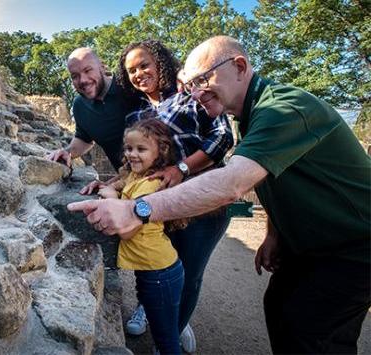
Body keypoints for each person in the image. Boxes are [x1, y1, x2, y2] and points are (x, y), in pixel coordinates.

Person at [68, 35, 371, 354]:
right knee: (282, 309)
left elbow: (232, 183)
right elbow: (275, 179)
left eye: (203, 79)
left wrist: (136, 210)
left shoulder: (284, 109)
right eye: (192, 82)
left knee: (309, 327)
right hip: (309, 246)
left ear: (239, 66)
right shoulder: (249, 116)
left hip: (353, 245)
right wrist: (274, 234)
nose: (196, 91)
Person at [117, 40, 234, 353]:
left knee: (190, 272)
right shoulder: (136, 114)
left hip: (204, 205)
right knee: (155, 263)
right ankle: (151, 310)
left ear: (160, 64)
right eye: (131, 70)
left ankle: (175, 328)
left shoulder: (191, 96)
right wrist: (112, 185)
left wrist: (181, 168)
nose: (139, 73)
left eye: (144, 65)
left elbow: (223, 137)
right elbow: (133, 162)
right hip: (159, 206)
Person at [98, 118, 185, 354]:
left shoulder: (150, 185)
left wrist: (109, 197)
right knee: (164, 332)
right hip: (153, 270)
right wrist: (105, 185)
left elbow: (128, 230)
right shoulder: (138, 176)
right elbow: (124, 183)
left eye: (141, 149)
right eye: (129, 148)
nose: (132, 154)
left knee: (166, 341)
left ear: (161, 152)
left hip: (160, 273)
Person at [47, 47, 138, 175]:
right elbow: (84, 139)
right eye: (75, 76)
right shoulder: (79, 105)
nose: (83, 80)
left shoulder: (130, 87)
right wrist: (67, 152)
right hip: (128, 180)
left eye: (88, 70)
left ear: (102, 66)